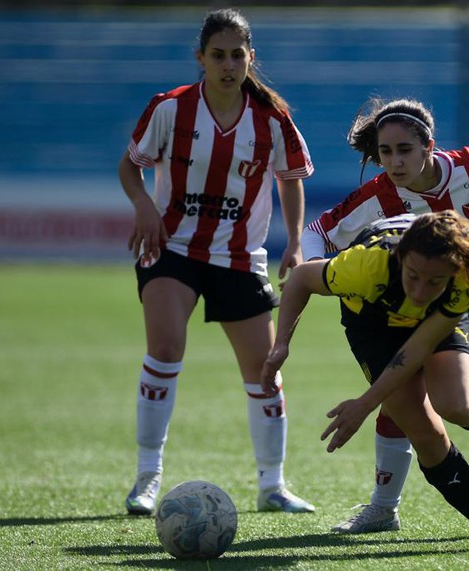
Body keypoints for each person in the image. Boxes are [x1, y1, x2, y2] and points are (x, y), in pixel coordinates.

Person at [301, 97, 469, 535]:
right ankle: (383, 508)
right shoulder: (380, 195)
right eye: (386, 152)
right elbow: (319, 233)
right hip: (439, 300)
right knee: (403, 393)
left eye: (404, 150)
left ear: (429, 146)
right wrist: (317, 272)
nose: (395, 162)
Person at [117, 7, 315, 516]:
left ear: (251, 59)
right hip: (173, 248)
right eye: (218, 55)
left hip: (239, 256)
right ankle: (146, 478)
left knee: (265, 373)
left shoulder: (272, 119)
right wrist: (144, 206)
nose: (228, 65)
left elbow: (290, 179)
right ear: (200, 58)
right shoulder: (170, 109)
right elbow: (131, 166)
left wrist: (294, 242)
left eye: (237, 56)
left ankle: (272, 485)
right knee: (164, 349)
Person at [261, 210, 469, 552]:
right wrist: (281, 345)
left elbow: (419, 347)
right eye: (413, 276)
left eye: (434, 281)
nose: (420, 290)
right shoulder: (366, 265)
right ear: (400, 259)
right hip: (372, 324)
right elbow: (301, 280)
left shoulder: (466, 275)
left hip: (431, 325)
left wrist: (365, 404)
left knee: (454, 403)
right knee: (423, 428)